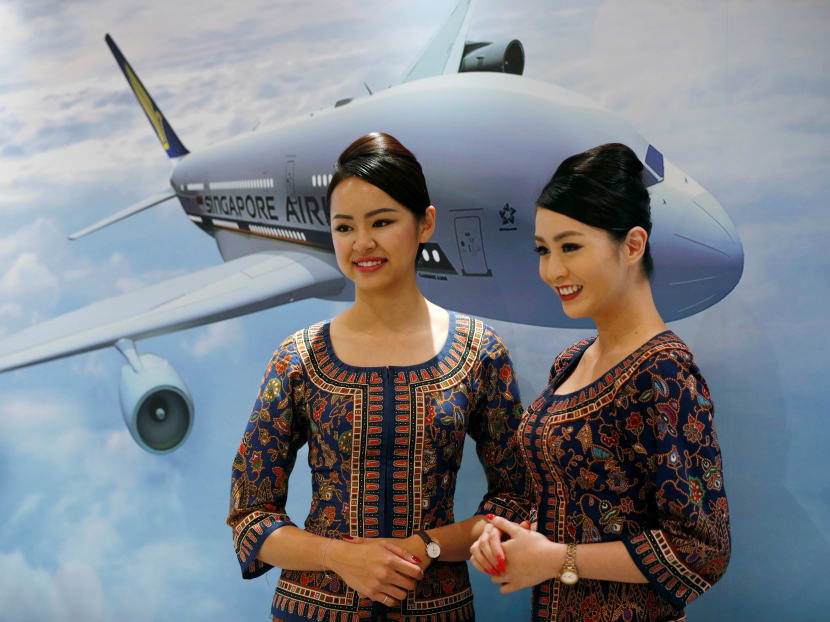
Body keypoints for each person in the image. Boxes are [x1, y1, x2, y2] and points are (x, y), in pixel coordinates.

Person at [227, 132, 530, 622]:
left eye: (382, 222)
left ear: (425, 223)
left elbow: (519, 498)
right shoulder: (297, 359)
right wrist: (339, 556)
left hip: (438, 610)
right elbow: (249, 517)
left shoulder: (480, 352)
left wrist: (426, 546)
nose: (362, 243)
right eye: (344, 227)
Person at [469, 143, 731, 621]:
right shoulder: (570, 362)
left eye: (571, 246)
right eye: (544, 250)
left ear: (632, 245)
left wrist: (556, 560)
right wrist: (511, 533)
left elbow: (701, 549)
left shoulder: (663, 373)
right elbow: (569, 499)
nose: (553, 270)